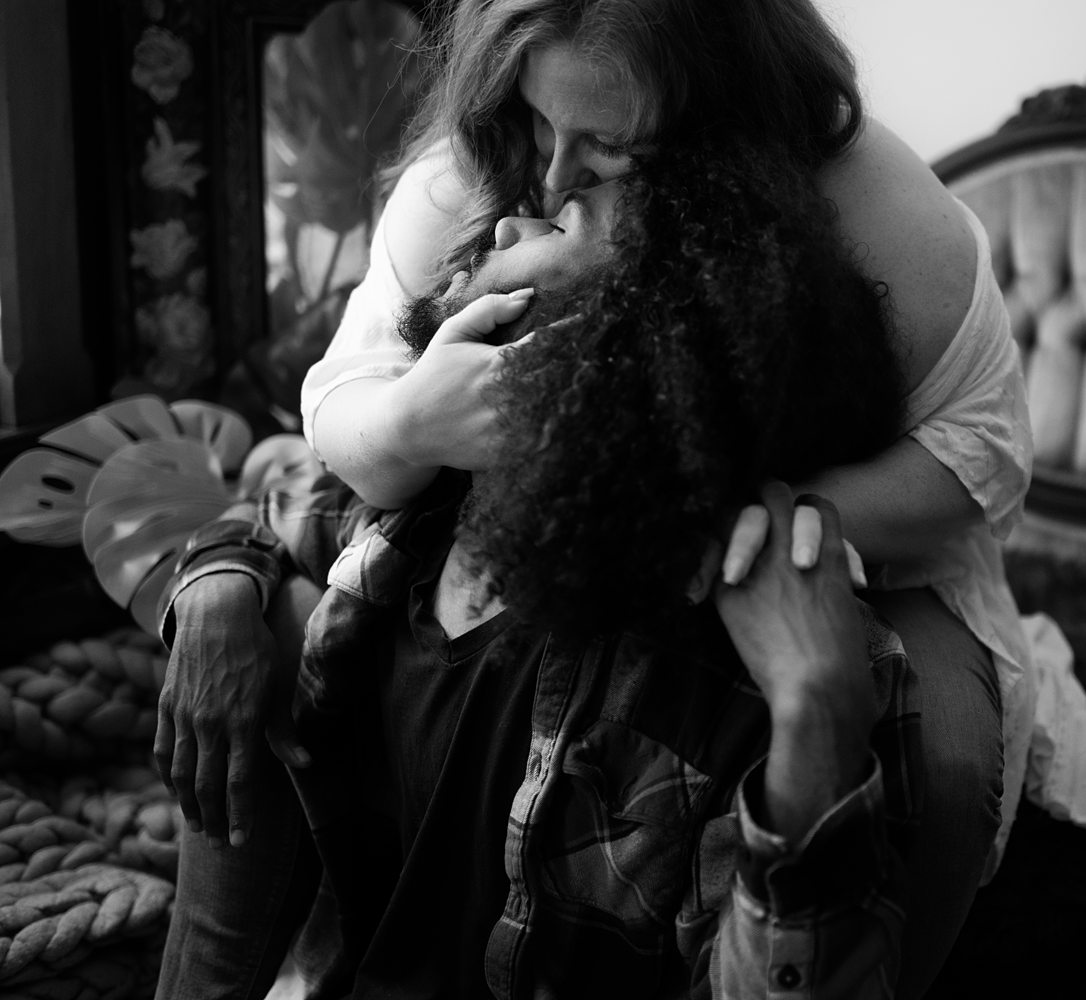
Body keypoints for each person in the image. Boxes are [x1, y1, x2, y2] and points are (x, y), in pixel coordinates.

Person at [296, 4, 1037, 990]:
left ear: (721, 113)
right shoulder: (468, 178)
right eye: (537, 119)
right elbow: (337, 405)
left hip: (872, 551)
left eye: (610, 145)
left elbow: (983, 459)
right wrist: (405, 426)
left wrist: (728, 522)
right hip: (590, 520)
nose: (549, 179)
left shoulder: (885, 215)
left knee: (940, 768)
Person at [158, 140, 923, 997]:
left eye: (556, 225)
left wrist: (819, 717)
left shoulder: (756, 676)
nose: (504, 224)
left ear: (622, 338)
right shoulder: (421, 505)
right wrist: (216, 596)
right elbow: (263, 519)